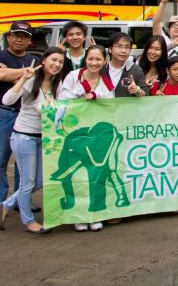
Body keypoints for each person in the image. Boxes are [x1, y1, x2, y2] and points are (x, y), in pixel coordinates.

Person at [0, 47, 65, 234]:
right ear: (44, 60)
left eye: (60, 61)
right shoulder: (32, 79)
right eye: (53, 60)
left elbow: (64, 106)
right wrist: (23, 79)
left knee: (40, 181)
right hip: (24, 137)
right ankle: (28, 221)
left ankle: (6, 204)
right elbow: (7, 100)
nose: (56, 64)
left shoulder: (58, 84)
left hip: (44, 138)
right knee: (27, 182)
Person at [57, 44, 115, 232]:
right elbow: (62, 100)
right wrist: (82, 93)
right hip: (76, 135)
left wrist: (96, 96)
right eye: (90, 59)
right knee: (77, 175)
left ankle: (95, 214)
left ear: (104, 61)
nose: (94, 63)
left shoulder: (106, 83)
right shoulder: (73, 77)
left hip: (96, 137)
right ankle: (78, 215)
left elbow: (111, 106)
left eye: (98, 59)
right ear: (85, 59)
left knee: (96, 174)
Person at [0, 21, 35, 223]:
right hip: (3, 115)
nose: (19, 39)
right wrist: (26, 73)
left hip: (26, 116)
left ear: (29, 41)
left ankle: (18, 201)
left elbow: (36, 80)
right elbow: (0, 74)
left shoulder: (34, 58)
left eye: (24, 36)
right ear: (8, 37)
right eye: (15, 35)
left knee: (24, 164)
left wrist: (13, 75)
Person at [105, 33, 149, 97]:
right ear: (110, 49)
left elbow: (146, 94)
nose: (123, 50)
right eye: (119, 46)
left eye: (127, 47)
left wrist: (137, 91)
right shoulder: (102, 69)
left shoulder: (135, 70)